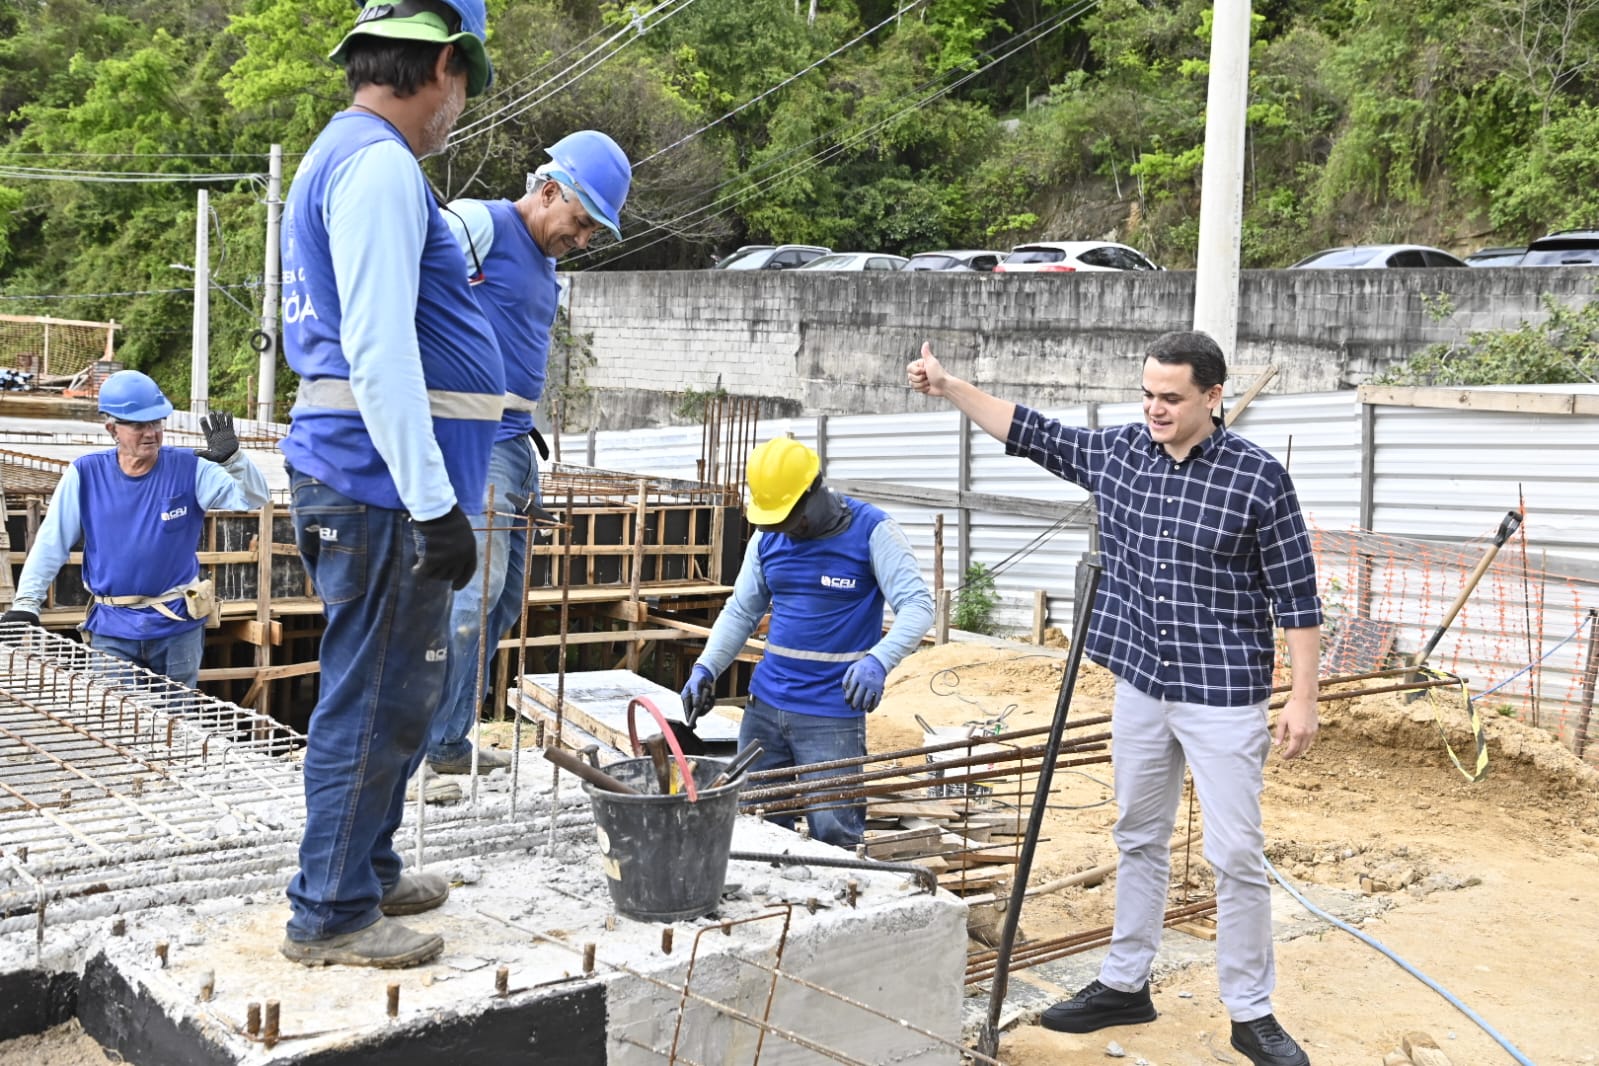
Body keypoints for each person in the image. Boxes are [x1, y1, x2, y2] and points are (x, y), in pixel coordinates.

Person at [909, 332, 1322, 1066]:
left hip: (1221, 690)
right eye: (1147, 394)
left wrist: (1302, 698)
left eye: (1171, 397)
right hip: (1139, 679)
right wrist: (949, 386)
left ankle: (1250, 1011)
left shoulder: (1257, 479)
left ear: (1211, 397)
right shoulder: (1122, 454)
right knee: (1136, 834)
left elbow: (1295, 597)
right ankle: (1125, 982)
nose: (1154, 409)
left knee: (1234, 852)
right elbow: (1030, 431)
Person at [275, 0, 501, 969]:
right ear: (444, 65)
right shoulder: (376, 166)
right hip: (376, 484)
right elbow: (376, 349)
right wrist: (432, 499)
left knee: (396, 691)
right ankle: (330, 910)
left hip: (374, 479)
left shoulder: (349, 156)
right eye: (464, 88)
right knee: (371, 696)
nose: (458, 112)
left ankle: (362, 868)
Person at [423, 130, 632, 777]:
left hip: (515, 444)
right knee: (470, 598)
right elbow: (406, 289)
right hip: (471, 439)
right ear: (548, 191)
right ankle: (436, 748)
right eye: (581, 221)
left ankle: (450, 735)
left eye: (594, 229)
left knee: (504, 601)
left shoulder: (544, 265)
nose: (584, 239)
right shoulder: (476, 225)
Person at [679, 437, 934, 848]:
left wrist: (878, 661)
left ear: (816, 490)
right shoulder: (767, 540)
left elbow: (918, 606)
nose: (785, 528)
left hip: (831, 715)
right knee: (754, 823)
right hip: (765, 708)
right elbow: (742, 612)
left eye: (790, 516)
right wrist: (706, 667)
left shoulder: (873, 532)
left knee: (834, 833)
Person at [0, 371, 267, 689]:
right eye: (139, 424)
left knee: (176, 724)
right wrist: (27, 603)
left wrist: (236, 461)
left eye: (157, 422)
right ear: (111, 428)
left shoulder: (191, 468)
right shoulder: (86, 474)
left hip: (178, 625)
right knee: (119, 724)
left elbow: (253, 498)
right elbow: (50, 543)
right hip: (113, 629)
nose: (151, 432)